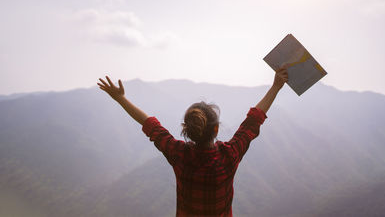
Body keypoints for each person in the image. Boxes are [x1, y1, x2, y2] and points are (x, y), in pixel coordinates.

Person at [97, 67, 288, 217]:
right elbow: (253, 120)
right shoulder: (229, 155)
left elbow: (150, 124)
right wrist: (276, 87)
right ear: (216, 129)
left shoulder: (179, 154)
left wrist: (120, 98)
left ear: (188, 131)